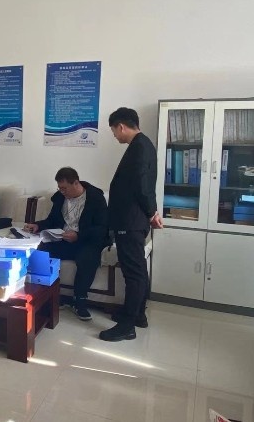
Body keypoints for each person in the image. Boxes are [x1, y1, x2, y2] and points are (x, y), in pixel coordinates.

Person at [100, 107, 163, 342]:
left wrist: (151, 212)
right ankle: (137, 315)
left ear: (121, 126)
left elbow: (142, 184)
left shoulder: (139, 147)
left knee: (133, 274)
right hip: (133, 219)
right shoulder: (142, 145)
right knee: (137, 271)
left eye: (114, 131)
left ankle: (127, 326)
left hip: (130, 220)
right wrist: (151, 211)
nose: (115, 136)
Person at [24, 167, 108, 321]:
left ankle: (80, 300)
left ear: (76, 183)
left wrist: (78, 235)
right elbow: (51, 220)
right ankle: (47, 295)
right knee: (40, 251)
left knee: (87, 258)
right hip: (64, 239)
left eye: (64, 188)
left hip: (86, 241)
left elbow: (102, 228)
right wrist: (38, 225)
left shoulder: (95, 198)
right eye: (60, 188)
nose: (62, 192)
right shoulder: (59, 198)